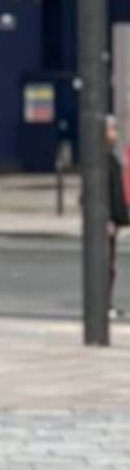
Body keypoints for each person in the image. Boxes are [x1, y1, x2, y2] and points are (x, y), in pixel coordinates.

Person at [109, 117, 128, 321]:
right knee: (106, 267)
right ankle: (103, 305)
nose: (115, 134)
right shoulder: (102, 161)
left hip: (113, 220)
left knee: (110, 267)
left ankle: (107, 304)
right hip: (108, 222)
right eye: (112, 129)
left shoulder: (111, 159)